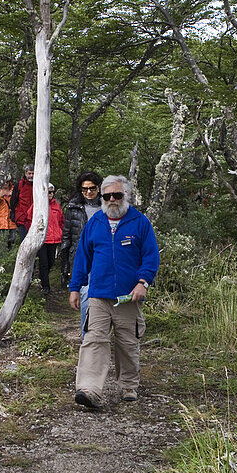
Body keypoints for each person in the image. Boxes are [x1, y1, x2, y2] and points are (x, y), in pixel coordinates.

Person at [68, 175, 159, 409]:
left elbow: (151, 257)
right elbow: (82, 257)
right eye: (107, 196)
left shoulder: (140, 222)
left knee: (127, 343)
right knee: (94, 340)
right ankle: (89, 389)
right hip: (98, 294)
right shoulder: (95, 222)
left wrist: (143, 283)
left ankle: (128, 386)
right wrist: (75, 288)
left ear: (125, 196)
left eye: (116, 195)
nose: (111, 200)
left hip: (128, 297)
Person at [59, 170, 103, 337]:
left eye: (92, 188)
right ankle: (87, 338)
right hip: (82, 258)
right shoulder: (73, 208)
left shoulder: (107, 206)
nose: (89, 192)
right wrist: (65, 264)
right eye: (85, 189)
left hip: (103, 257)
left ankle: (101, 334)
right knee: (85, 296)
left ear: (98, 188)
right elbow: (67, 235)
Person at [28, 183, 65, 294]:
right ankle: (46, 286)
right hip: (42, 239)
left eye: (52, 192)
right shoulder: (37, 205)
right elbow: (29, 218)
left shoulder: (56, 206)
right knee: (43, 263)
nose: (51, 194)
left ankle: (42, 278)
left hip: (54, 239)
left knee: (51, 262)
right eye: (49, 192)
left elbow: (61, 221)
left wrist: (61, 232)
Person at [8, 163, 34, 241]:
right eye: (29, 173)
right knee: (24, 241)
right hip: (22, 218)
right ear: (25, 173)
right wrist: (15, 214)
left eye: (33, 173)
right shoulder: (19, 185)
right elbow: (13, 201)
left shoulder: (39, 185)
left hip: (34, 218)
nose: (31, 176)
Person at [0, 179, 17, 248]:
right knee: (0, 245)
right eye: (3, 181)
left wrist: (12, 196)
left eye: (7, 181)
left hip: (12, 222)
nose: (5, 183)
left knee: (12, 243)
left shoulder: (14, 190)